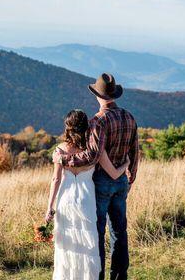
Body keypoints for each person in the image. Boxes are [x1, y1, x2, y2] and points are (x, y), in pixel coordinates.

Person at [54, 73, 140, 280]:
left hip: (101, 182)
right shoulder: (129, 117)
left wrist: (64, 160)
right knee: (120, 232)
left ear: (97, 95)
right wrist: (131, 177)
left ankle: (98, 275)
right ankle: (119, 276)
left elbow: (92, 155)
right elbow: (135, 151)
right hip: (120, 180)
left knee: (97, 233)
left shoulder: (98, 121)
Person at [45, 109, 130, 280]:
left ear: (67, 127)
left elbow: (55, 179)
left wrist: (49, 208)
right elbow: (113, 174)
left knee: (67, 243)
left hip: (65, 199)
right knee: (88, 242)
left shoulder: (60, 150)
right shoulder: (93, 150)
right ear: (87, 127)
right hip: (87, 199)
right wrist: (126, 164)